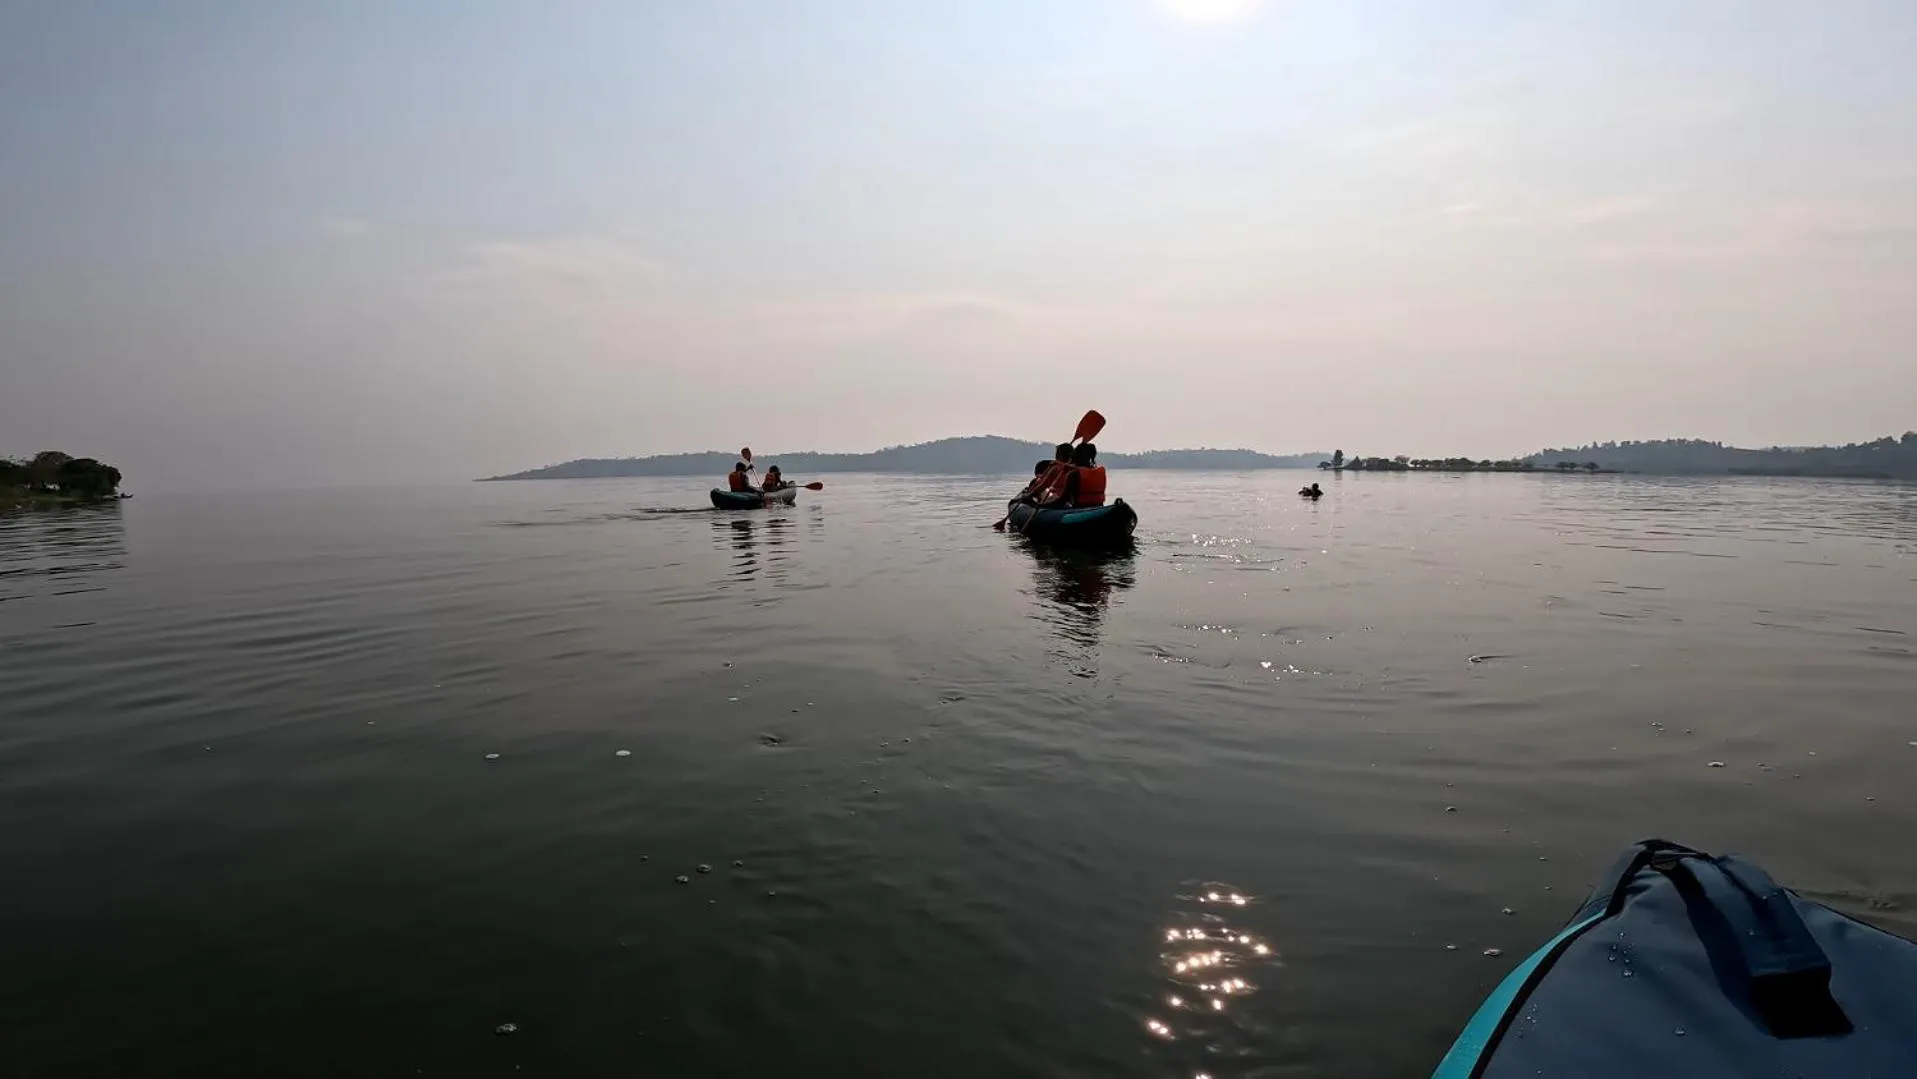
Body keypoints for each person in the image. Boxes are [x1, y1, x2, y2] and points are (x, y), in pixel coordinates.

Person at [1041, 442, 1107, 508]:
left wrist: (1041, 505)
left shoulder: (1073, 474)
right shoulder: (1100, 471)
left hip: (1078, 509)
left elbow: (1062, 500)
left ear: (1076, 457)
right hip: (1098, 506)